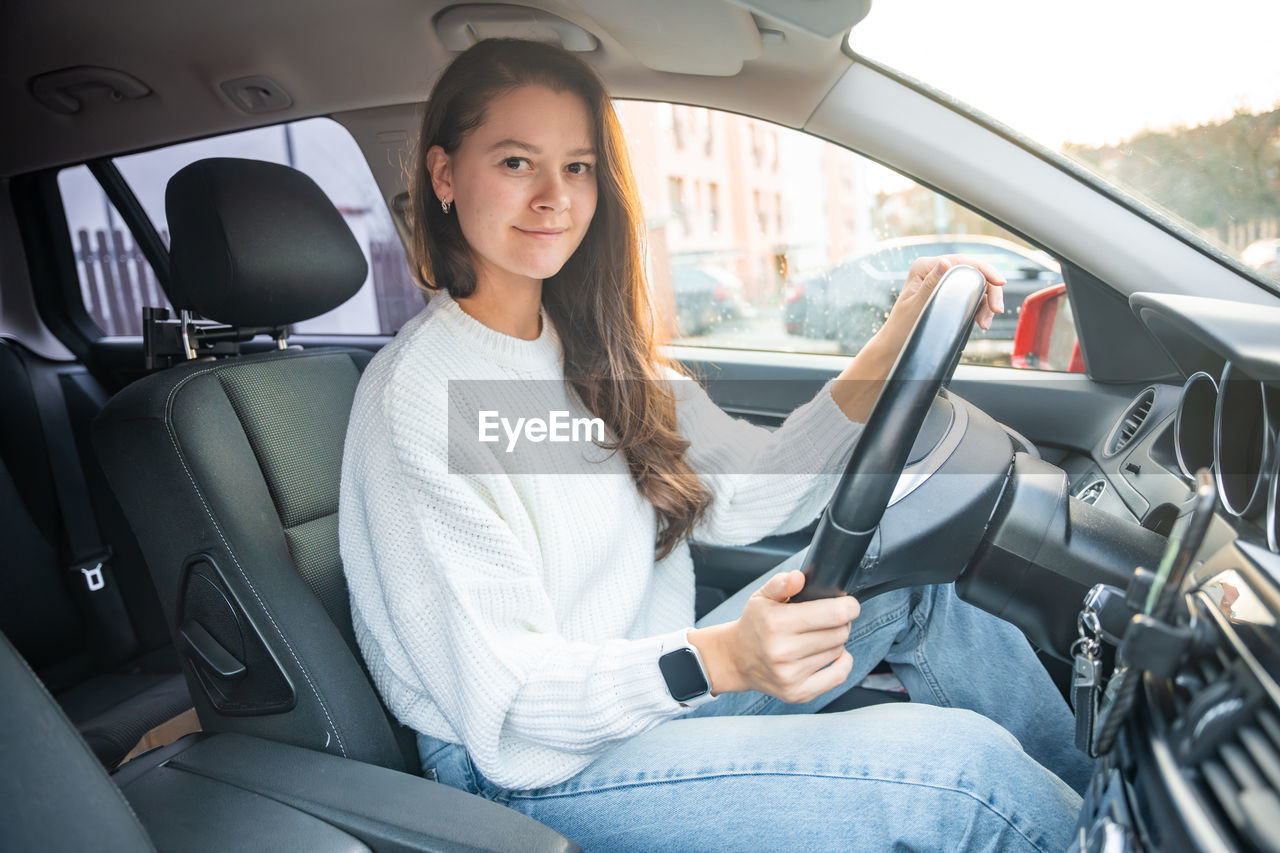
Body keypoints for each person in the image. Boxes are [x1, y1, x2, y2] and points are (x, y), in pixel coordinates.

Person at [339, 37, 1090, 852]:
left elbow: (756, 488)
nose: (555, 196)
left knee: (920, 578)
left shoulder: (592, 349)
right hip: (520, 768)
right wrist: (723, 657)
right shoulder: (416, 396)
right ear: (446, 176)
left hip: (640, 699)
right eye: (517, 162)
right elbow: (514, 704)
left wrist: (897, 335)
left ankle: (1101, 814)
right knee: (956, 774)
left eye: (579, 167)